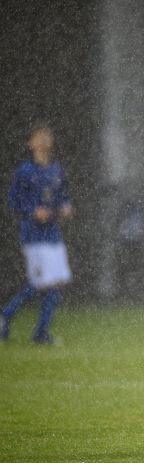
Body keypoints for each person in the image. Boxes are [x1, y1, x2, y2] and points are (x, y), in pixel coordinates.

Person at [1, 126, 73, 345]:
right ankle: (5, 315)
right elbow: (13, 201)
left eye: (46, 138)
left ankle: (40, 333)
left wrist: (66, 207)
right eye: (37, 138)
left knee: (57, 283)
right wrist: (32, 211)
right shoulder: (25, 171)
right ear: (30, 143)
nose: (42, 142)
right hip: (34, 236)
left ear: (51, 142)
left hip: (53, 235)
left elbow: (63, 198)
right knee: (40, 284)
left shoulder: (56, 170)